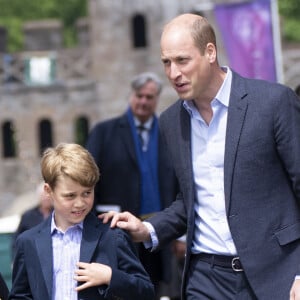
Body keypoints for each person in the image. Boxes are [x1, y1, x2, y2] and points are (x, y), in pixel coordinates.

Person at [100, 13, 300, 300]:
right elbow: (191, 201)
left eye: (182, 60)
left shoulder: (273, 102)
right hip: (205, 278)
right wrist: (146, 229)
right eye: (166, 63)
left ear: (210, 52)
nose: (173, 73)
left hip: (277, 274)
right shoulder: (171, 121)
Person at [9, 143, 154, 300]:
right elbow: (20, 296)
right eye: (70, 196)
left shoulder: (112, 236)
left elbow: (146, 291)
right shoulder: (28, 242)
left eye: (87, 193)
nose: (80, 203)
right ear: (48, 191)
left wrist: (111, 277)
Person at [86, 71, 182, 299]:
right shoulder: (104, 133)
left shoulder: (170, 134)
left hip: (160, 233)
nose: (143, 102)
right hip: (116, 231)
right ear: (132, 95)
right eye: (140, 96)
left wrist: (181, 235)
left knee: (158, 290)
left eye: (149, 97)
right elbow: (87, 179)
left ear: (156, 99)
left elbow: (181, 183)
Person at [12, 182, 53, 255]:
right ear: (39, 197)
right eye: (43, 196)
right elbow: (18, 239)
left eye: (48, 196)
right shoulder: (28, 215)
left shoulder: (59, 214)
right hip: (32, 255)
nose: (46, 198)